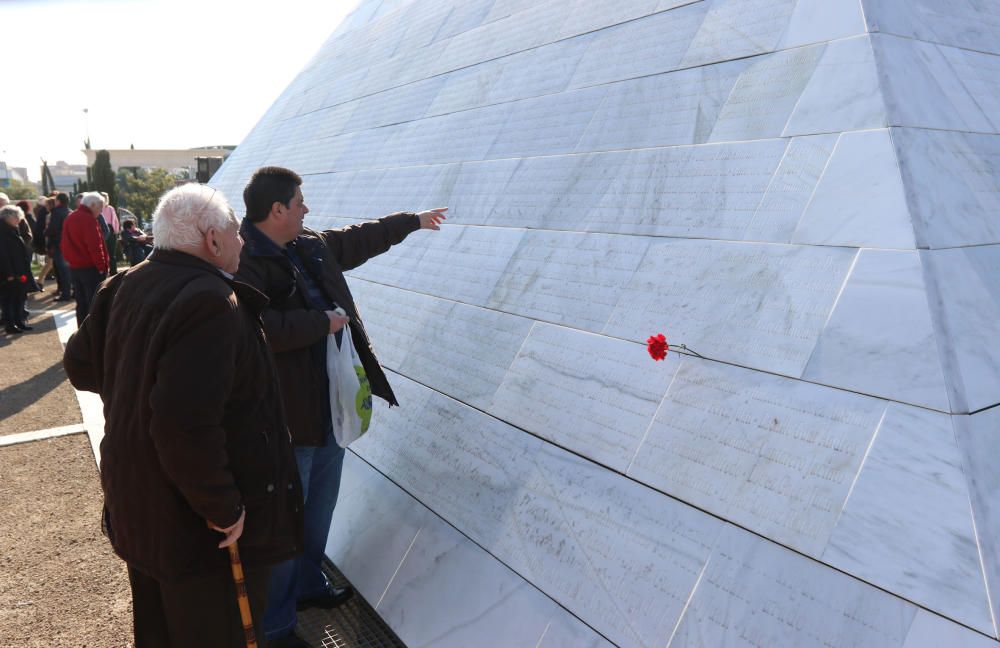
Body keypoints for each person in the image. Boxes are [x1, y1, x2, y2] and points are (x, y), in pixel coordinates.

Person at [63, 183, 304, 647]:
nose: (242, 241)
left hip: (142, 506)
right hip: (197, 532)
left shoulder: (127, 281)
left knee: (160, 631)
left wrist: (131, 384)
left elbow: (81, 365)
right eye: (235, 231)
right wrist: (223, 506)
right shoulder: (211, 302)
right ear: (211, 239)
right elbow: (181, 425)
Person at [235, 166, 446, 648]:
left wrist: (411, 221)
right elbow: (255, 330)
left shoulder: (305, 244)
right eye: (300, 201)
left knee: (318, 511)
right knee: (286, 523)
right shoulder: (243, 260)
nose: (306, 209)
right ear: (277, 210)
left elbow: (355, 240)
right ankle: (277, 625)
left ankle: (309, 586)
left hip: (331, 408)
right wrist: (320, 323)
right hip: (289, 418)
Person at [61, 191, 108, 323]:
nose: (100, 212)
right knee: (94, 303)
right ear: (92, 205)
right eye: (100, 208)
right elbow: (95, 246)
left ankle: (82, 332)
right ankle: (93, 334)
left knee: (81, 302)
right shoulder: (87, 219)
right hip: (90, 267)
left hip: (75, 267)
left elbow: (64, 244)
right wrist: (102, 267)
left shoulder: (71, 217)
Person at [0, 205, 34, 333]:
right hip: (9, 272)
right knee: (8, 299)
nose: (19, 220)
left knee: (19, 297)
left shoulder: (12, 228)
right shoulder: (3, 230)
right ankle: (10, 324)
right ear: (8, 217)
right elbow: (3, 254)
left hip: (18, 269)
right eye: (17, 217)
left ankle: (19, 321)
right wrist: (9, 273)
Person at [46, 192, 73, 301]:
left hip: (58, 244)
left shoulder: (56, 212)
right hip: (69, 244)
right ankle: (72, 292)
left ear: (58, 201)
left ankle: (65, 294)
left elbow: (53, 228)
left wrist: (45, 232)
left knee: (63, 271)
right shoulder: (70, 211)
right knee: (68, 270)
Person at [100, 192, 121, 274]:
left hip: (111, 231)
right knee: (102, 252)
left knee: (111, 253)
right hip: (101, 230)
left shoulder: (110, 208)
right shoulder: (97, 208)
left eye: (105, 198)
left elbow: (115, 220)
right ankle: (104, 271)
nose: (103, 199)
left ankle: (113, 271)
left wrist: (116, 231)